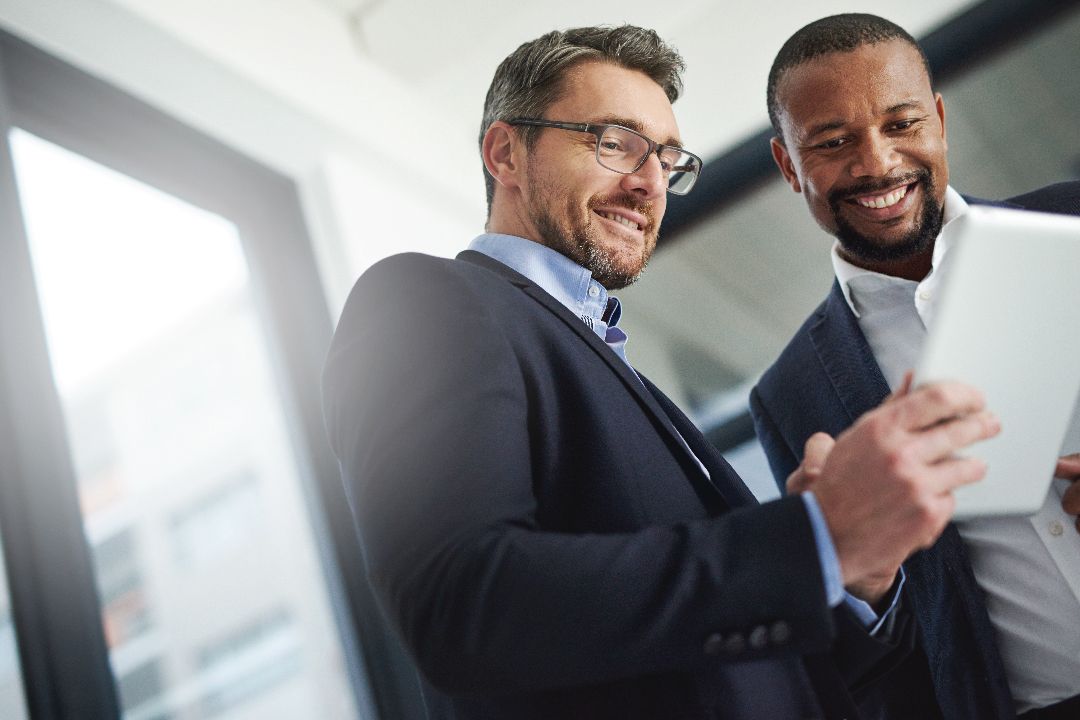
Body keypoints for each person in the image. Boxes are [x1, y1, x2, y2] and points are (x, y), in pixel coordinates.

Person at [323, 24, 999, 720]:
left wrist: (857, 577)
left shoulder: (615, 368)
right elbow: (464, 604)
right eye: (615, 143)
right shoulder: (423, 300)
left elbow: (743, 659)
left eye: (669, 159)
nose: (650, 183)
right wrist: (814, 538)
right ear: (506, 152)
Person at [751, 13, 1080, 720]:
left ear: (937, 120)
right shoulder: (789, 394)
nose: (876, 164)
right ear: (788, 165)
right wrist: (853, 574)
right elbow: (862, 647)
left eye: (900, 124)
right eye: (833, 143)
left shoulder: (1074, 224)